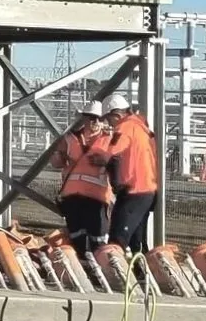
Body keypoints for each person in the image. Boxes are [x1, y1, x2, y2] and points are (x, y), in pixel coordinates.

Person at [50, 101, 114, 250]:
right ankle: (82, 262)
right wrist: (58, 157)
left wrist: (105, 161)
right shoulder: (70, 139)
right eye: (92, 117)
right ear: (84, 118)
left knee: (98, 237)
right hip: (72, 196)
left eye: (99, 118)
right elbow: (56, 162)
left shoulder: (110, 139)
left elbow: (119, 164)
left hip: (97, 198)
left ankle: (99, 265)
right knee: (76, 236)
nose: (95, 121)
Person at [101, 92, 161, 250]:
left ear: (116, 114)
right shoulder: (141, 126)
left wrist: (100, 159)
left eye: (108, 119)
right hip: (147, 189)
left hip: (134, 190)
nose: (109, 124)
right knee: (137, 240)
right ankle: (140, 271)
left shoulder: (125, 127)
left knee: (117, 238)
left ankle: (114, 271)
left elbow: (112, 152)